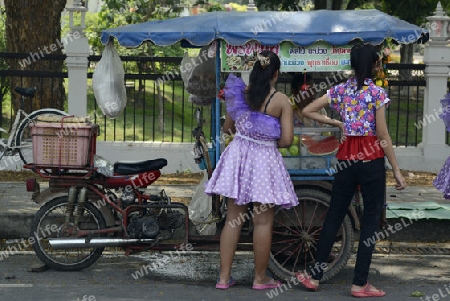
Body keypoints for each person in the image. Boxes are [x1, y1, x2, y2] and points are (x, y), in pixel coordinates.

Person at [297, 43, 407, 298]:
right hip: (371, 159)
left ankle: (315, 276)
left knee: (334, 215)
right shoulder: (377, 93)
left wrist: (336, 121)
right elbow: (382, 134)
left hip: (346, 158)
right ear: (374, 64)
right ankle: (359, 283)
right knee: (370, 220)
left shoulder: (340, 90)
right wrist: (397, 170)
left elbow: (307, 109)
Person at [204, 50, 299, 290]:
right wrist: (264, 139)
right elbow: (287, 140)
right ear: (275, 74)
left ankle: (224, 278)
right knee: (263, 222)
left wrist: (247, 135)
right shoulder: (281, 101)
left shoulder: (238, 94)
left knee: (233, 220)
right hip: (264, 160)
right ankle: (260, 279)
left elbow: (228, 128)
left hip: (238, 156)